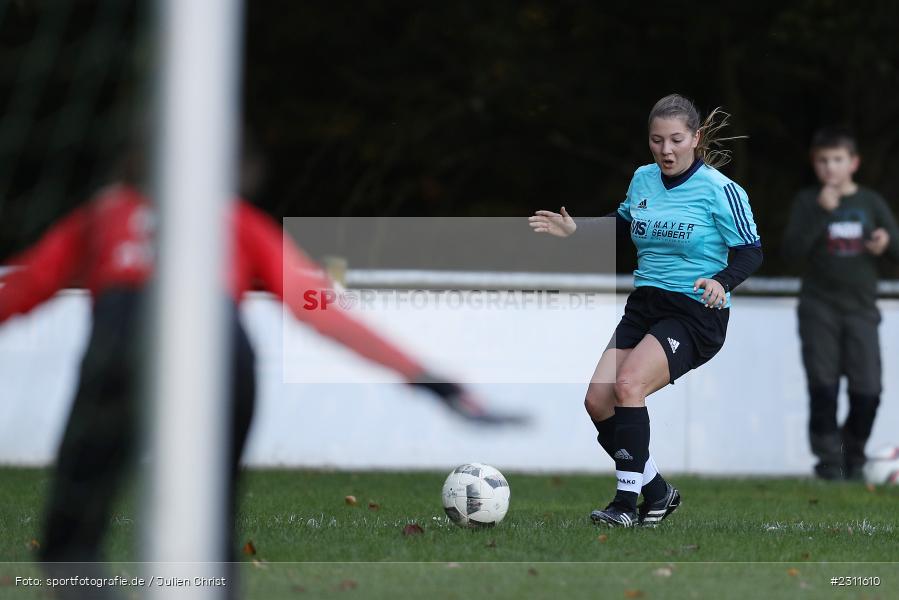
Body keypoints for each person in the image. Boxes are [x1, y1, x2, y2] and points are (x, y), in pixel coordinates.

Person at [0, 152, 501, 596]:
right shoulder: (235, 220)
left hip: (122, 343)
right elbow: (321, 310)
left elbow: (24, 287)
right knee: (210, 538)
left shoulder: (104, 214)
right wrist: (427, 378)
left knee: (69, 547)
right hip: (221, 354)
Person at [529, 94, 762, 527]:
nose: (666, 150)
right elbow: (624, 225)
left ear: (695, 138)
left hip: (695, 311)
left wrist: (721, 281)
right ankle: (657, 491)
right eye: (657, 141)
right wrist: (576, 230)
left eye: (676, 140)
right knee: (598, 400)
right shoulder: (643, 179)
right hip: (646, 305)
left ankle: (625, 504)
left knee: (628, 384)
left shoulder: (720, 190)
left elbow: (751, 252)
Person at [782, 128, 899, 480]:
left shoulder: (871, 202)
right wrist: (820, 213)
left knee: (869, 391)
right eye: (823, 160)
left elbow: (895, 249)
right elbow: (790, 254)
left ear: (854, 163)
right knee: (824, 388)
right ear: (814, 164)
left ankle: (853, 453)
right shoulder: (807, 202)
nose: (830, 167)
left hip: (862, 310)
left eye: (837, 160)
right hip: (818, 309)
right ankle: (829, 464)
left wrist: (885, 242)